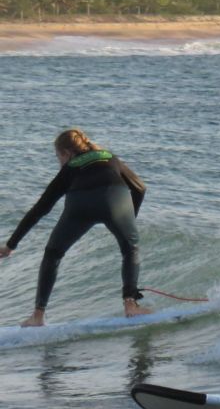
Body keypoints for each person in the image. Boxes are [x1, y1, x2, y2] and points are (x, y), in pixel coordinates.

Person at [0, 129, 151, 327]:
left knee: (53, 254)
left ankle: (38, 316)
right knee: (130, 248)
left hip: (80, 206)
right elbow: (140, 188)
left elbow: (41, 208)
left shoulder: (70, 167)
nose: (58, 161)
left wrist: (11, 245)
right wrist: (129, 219)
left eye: (57, 157)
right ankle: (130, 305)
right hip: (116, 200)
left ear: (66, 153)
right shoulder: (109, 157)